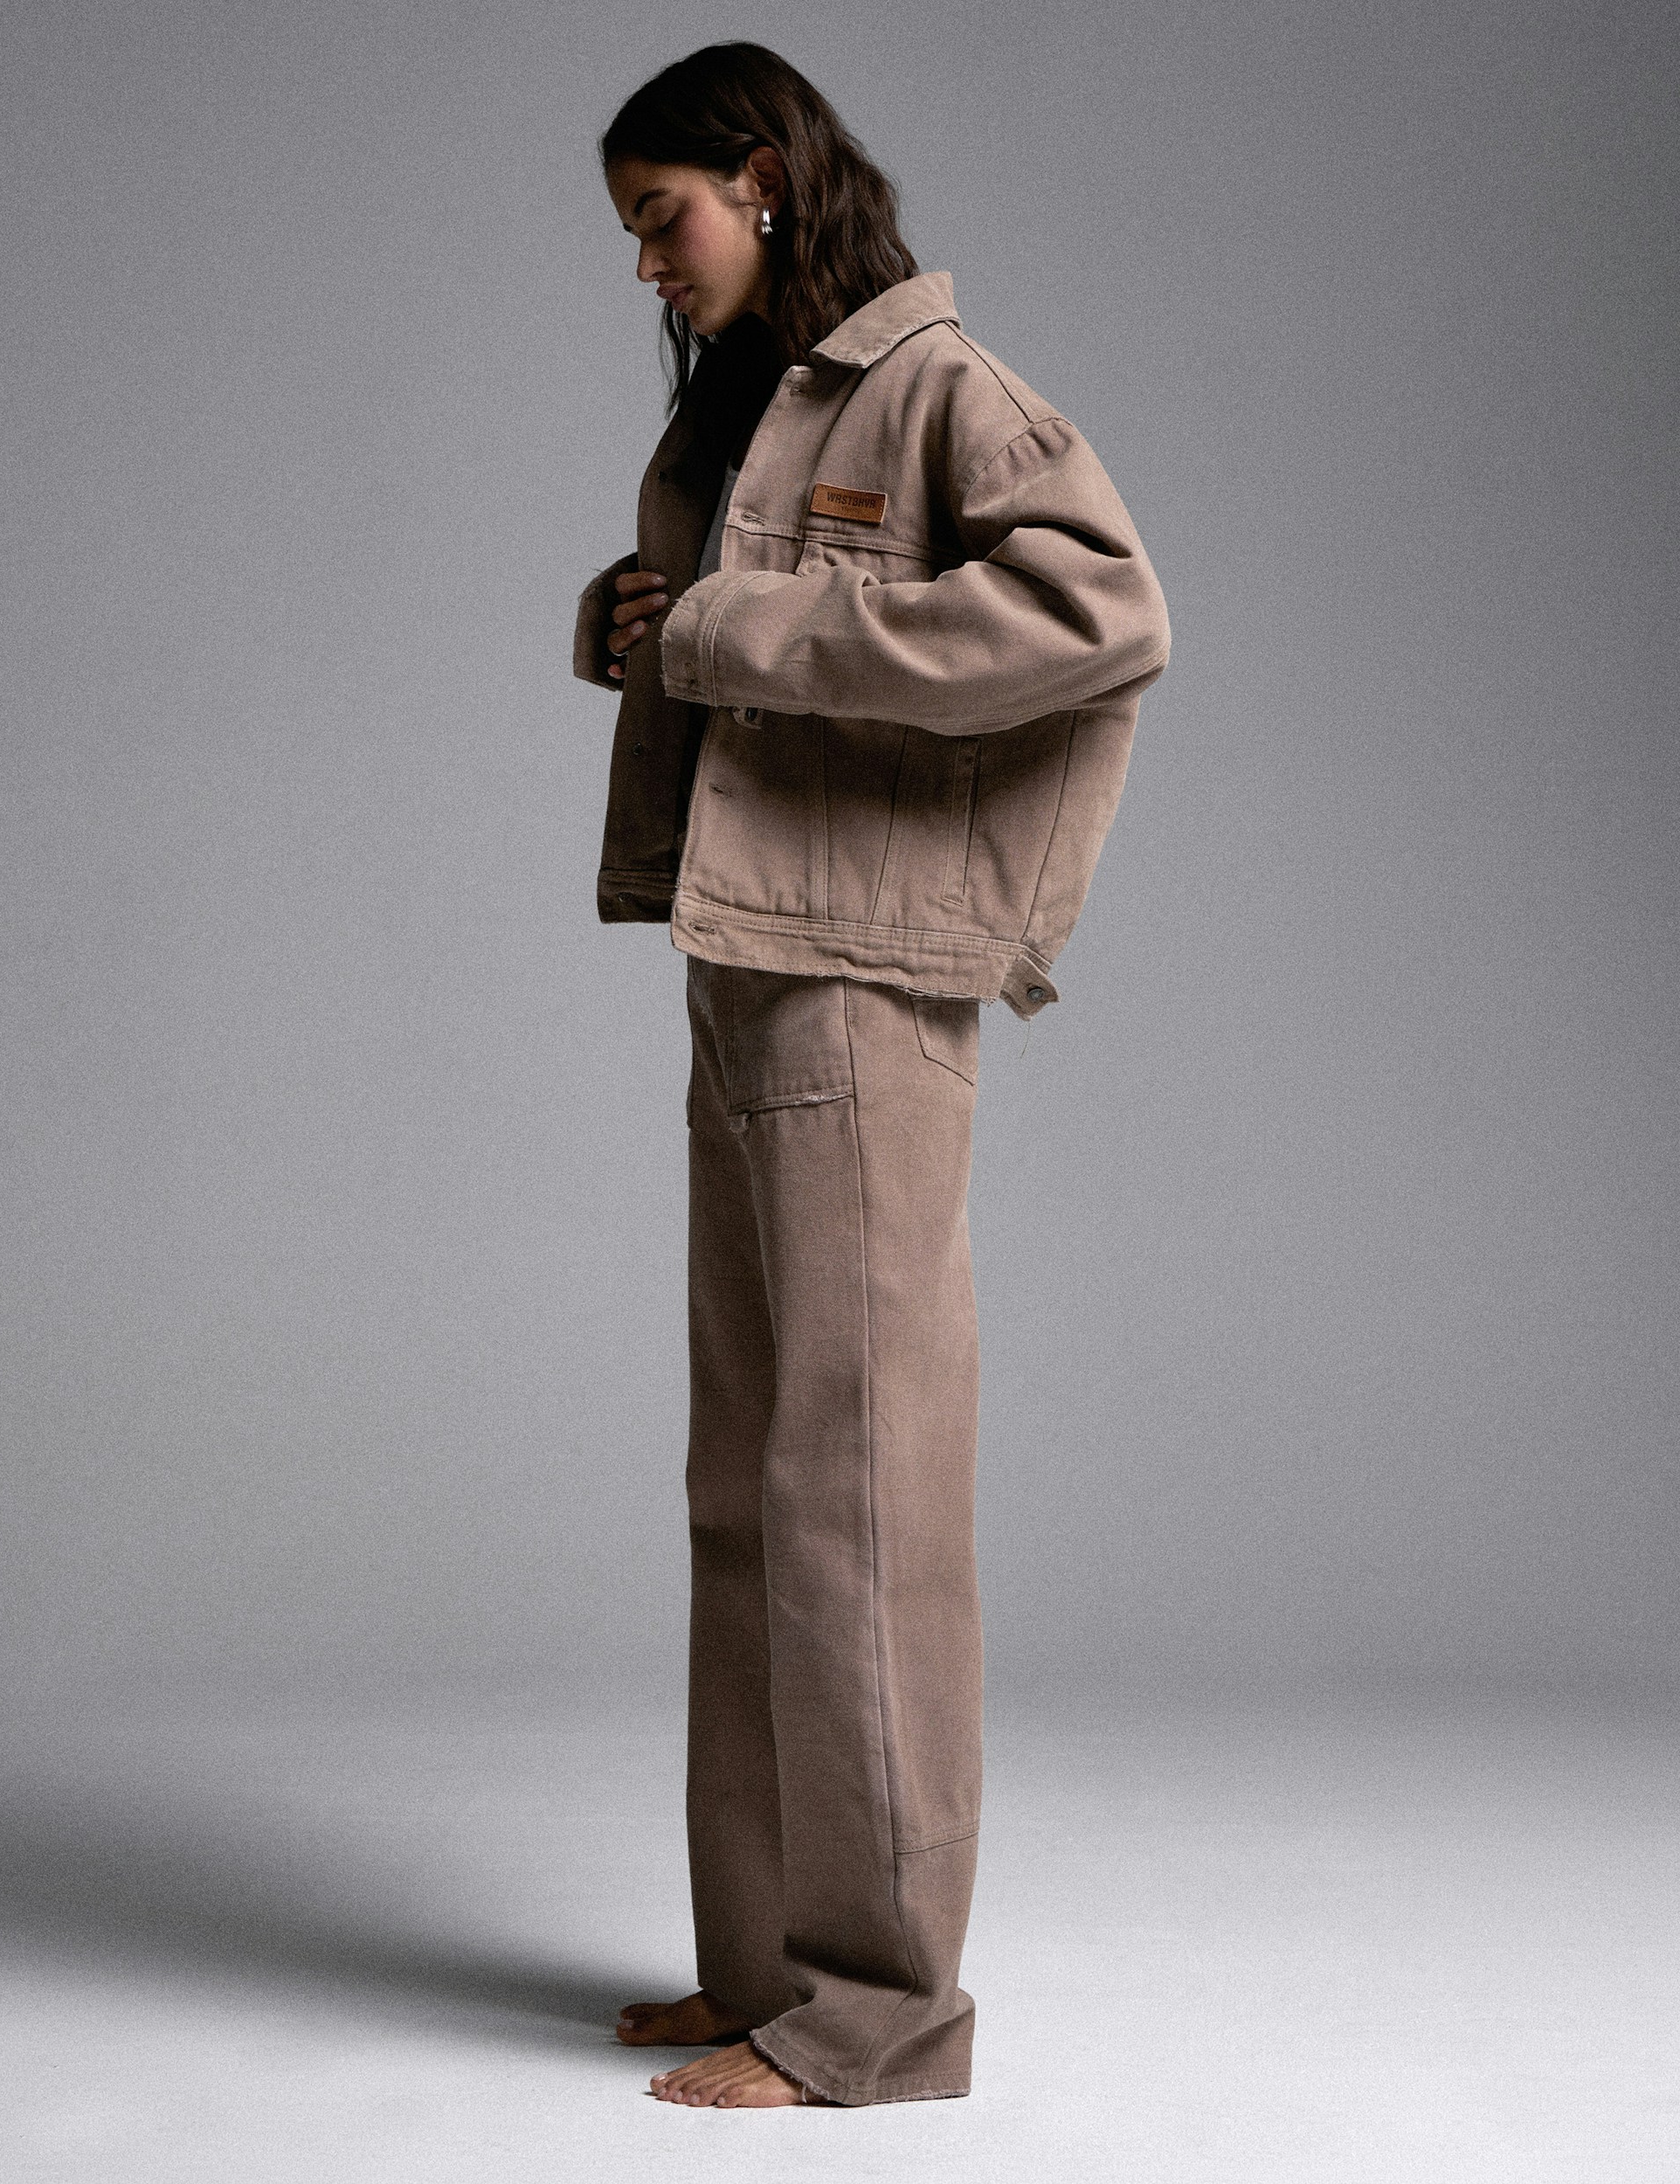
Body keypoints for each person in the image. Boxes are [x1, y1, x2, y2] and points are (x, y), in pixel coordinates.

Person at [573, 42, 1171, 2110]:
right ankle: (767, 1967)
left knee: (862, 1495)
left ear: (763, 174)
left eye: (661, 216)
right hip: (748, 965)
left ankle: (883, 2012)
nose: (645, 265)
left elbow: (1102, 610)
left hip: (857, 987)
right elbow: (754, 629)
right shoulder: (761, 400)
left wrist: (737, 634)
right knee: (749, 1489)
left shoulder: (932, 385)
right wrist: (639, 626)